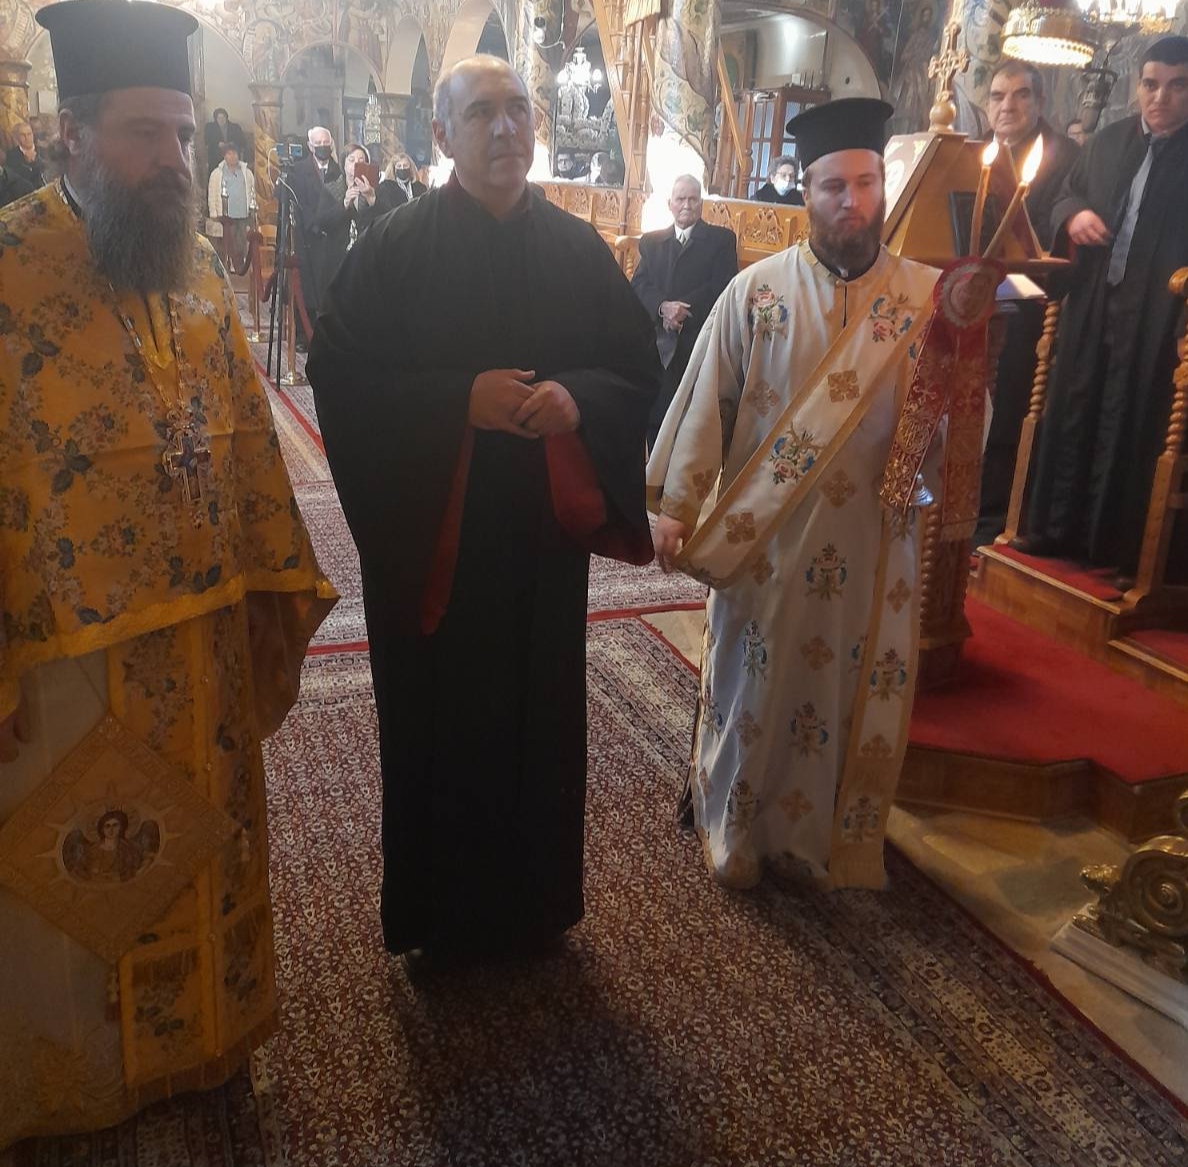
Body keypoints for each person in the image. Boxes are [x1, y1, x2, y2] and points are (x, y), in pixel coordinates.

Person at [0, 0, 335, 1150]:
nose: (176, 160)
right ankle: (76, 1084)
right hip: (64, 664)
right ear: (71, 133)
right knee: (77, 881)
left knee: (201, 850)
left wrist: (269, 596)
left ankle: (202, 1045)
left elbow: (245, 441)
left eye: (185, 135)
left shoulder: (194, 275)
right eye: (147, 133)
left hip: (198, 649)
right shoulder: (6, 274)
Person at [307, 54, 658, 968]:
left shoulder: (579, 250)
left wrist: (580, 400)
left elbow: (636, 367)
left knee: (540, 721)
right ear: (441, 134)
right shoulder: (394, 248)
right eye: (480, 113)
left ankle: (538, 908)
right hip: (437, 541)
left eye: (517, 109)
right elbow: (337, 374)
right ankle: (443, 922)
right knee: (442, 725)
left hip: (542, 550)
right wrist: (457, 400)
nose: (504, 128)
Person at [646, 98, 940, 892]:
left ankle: (828, 843)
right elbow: (705, 403)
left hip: (873, 540)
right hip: (769, 540)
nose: (852, 201)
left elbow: (951, 422)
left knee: (844, 688)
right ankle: (737, 828)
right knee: (757, 682)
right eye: (834, 186)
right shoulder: (757, 292)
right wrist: (675, 508)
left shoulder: (924, 301)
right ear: (805, 192)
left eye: (866, 183)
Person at [1016, 35, 1188, 589]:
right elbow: (1064, 196)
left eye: (1177, 86)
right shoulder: (1109, 142)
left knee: (1135, 421)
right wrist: (1074, 217)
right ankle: (1055, 530)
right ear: (1138, 86)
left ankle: (1120, 549)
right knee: (1075, 404)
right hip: (1094, 301)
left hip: (1162, 317)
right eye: (1151, 84)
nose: (1160, 97)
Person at [972, 59, 1080, 547]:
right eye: (997, 96)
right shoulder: (977, 153)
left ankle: (992, 516)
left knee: (1008, 411)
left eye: (1020, 95)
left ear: (1040, 102)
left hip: (1031, 311)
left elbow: (1052, 237)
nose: (1008, 106)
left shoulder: (1066, 158)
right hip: (971, 301)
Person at [631, 173, 738, 447]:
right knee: (655, 417)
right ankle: (652, 465)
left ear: (701, 203)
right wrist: (663, 307)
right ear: (670, 204)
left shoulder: (721, 240)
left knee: (689, 424)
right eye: (680, 199)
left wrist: (682, 310)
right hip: (658, 339)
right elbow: (640, 284)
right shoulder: (652, 242)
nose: (687, 205)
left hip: (698, 336)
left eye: (693, 199)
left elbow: (723, 285)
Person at [287, 125, 343, 332]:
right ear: (310, 146)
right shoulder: (298, 171)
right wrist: (315, 225)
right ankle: (304, 334)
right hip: (308, 236)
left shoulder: (338, 170)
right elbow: (299, 203)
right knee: (307, 287)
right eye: (318, 143)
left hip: (332, 237)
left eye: (326, 142)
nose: (322, 146)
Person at [206, 141, 256, 274]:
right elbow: (212, 193)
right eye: (229, 154)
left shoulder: (247, 172)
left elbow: (252, 191)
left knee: (242, 240)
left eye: (234, 153)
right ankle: (232, 263)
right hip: (227, 214)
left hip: (243, 212)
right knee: (230, 241)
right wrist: (213, 212)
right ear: (224, 156)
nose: (232, 156)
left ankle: (241, 264)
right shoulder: (217, 173)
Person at [203, 105, 245, 177]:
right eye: (219, 118)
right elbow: (207, 140)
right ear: (216, 119)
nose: (221, 120)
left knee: (232, 156)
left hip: (231, 151)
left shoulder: (235, 127)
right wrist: (217, 143)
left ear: (226, 118)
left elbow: (242, 141)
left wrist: (232, 144)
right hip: (216, 153)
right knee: (214, 160)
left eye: (223, 117)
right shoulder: (209, 127)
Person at [5, 119, 46, 188]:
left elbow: (48, 171)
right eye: (23, 135)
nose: (27, 138)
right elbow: (16, 180)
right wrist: (28, 163)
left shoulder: (43, 151)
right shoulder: (11, 155)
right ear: (17, 137)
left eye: (29, 134)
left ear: (33, 134)